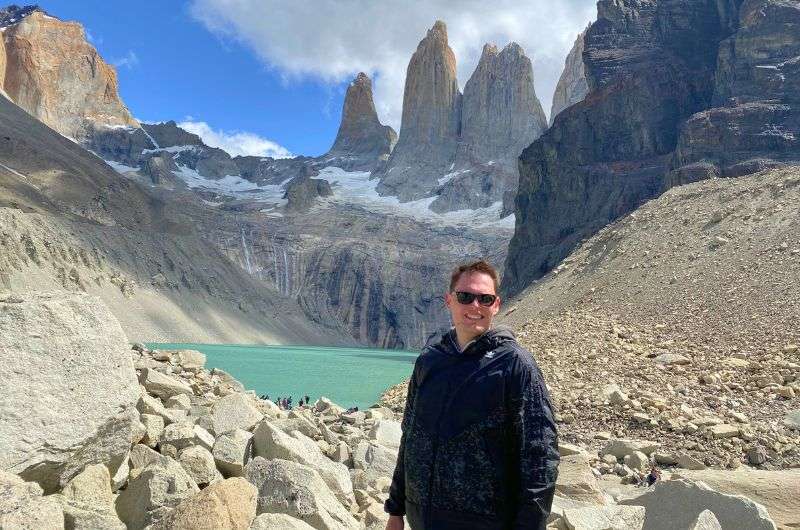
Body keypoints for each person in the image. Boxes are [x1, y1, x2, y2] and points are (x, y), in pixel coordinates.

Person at [384, 260, 560, 530]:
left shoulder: (515, 365)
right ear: (449, 300)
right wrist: (395, 509)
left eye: (485, 299)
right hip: (422, 519)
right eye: (465, 296)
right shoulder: (429, 361)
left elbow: (540, 456)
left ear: (496, 304)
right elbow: (410, 435)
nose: (475, 306)